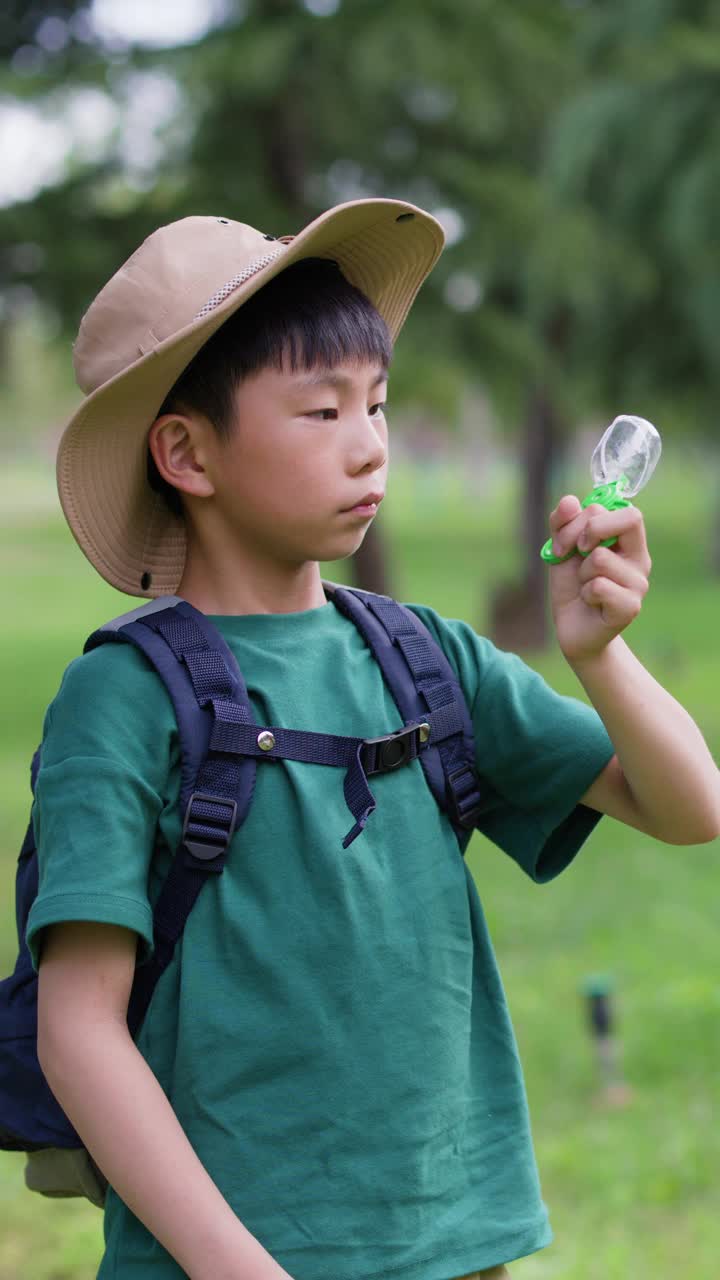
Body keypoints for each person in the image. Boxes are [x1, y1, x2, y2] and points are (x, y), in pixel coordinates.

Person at [29, 199, 720, 1280]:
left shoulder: (425, 655)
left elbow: (689, 808)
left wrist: (599, 655)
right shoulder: (123, 697)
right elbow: (77, 1029)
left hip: (458, 1244)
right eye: (321, 412)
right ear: (186, 452)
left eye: (380, 404)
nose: (370, 446)